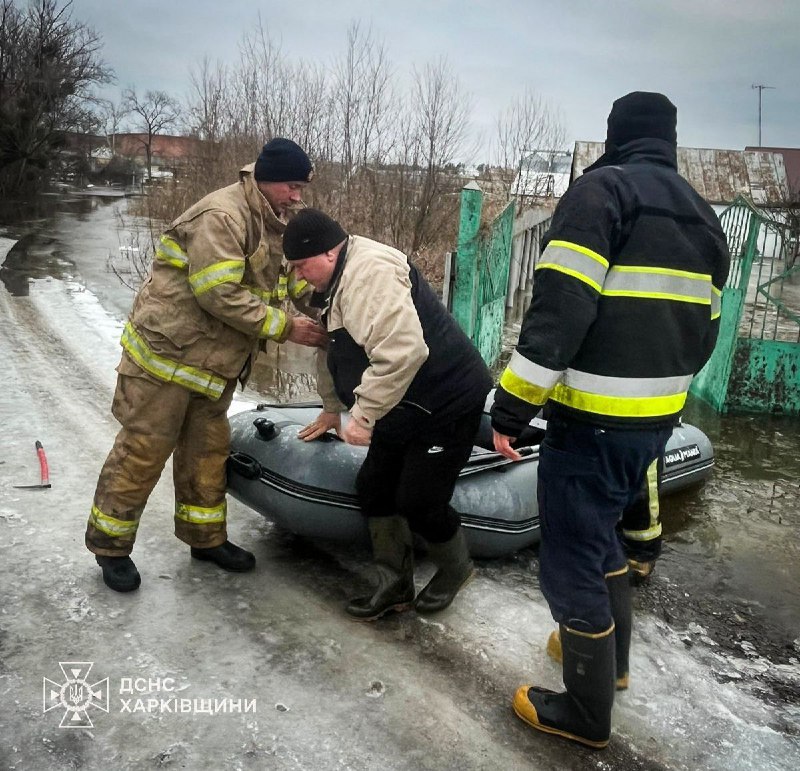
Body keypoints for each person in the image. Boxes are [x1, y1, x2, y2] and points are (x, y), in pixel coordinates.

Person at [491, 92, 730, 748]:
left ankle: (585, 711)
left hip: (590, 420)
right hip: (654, 421)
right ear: (670, 140)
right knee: (603, 540)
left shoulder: (602, 193)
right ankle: (612, 662)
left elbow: (560, 309)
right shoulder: (704, 215)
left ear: (614, 136)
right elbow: (707, 331)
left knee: (571, 557)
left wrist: (511, 407)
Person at [86, 138, 327, 593]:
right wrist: (286, 328)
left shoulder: (275, 221)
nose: (297, 196)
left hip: (213, 364)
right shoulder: (222, 215)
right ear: (267, 179)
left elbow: (289, 282)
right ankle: (110, 548)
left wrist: (328, 305)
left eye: (300, 188)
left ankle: (206, 539)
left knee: (207, 453)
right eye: (292, 186)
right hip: (165, 358)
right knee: (142, 452)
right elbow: (218, 293)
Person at [282, 208, 493, 620]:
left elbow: (404, 352)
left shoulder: (368, 277)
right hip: (400, 397)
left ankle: (457, 568)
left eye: (302, 265)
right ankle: (394, 583)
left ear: (328, 252)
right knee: (374, 486)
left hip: (446, 397)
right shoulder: (334, 281)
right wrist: (332, 409)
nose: (299, 275)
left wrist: (361, 417)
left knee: (420, 500)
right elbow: (335, 351)